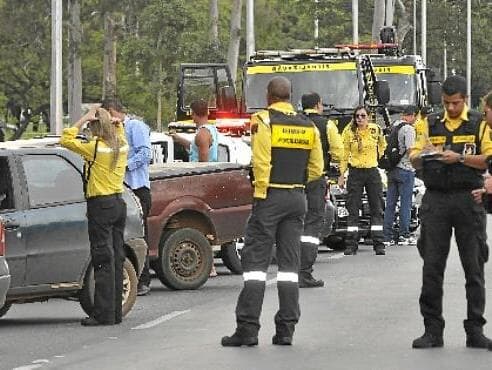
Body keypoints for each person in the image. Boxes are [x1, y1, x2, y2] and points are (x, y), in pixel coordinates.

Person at [221, 76, 323, 347]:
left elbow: (261, 160)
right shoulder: (308, 125)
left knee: (255, 265)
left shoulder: (264, 120)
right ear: (290, 96)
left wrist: (260, 195)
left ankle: (248, 329)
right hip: (297, 197)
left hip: (271, 198)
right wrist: (298, 185)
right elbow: (316, 168)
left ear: (269, 96)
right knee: (290, 266)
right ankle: (286, 329)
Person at [410, 75, 492, 349]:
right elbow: (413, 158)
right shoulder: (430, 122)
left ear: (465, 100)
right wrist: (426, 155)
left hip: (468, 200)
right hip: (437, 200)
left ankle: (475, 330)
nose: (451, 108)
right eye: (447, 103)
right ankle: (432, 330)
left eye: (456, 103)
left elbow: (487, 161)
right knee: (432, 267)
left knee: (474, 267)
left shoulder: (479, 123)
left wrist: (458, 158)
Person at [60, 107, 128, 326]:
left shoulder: (96, 148)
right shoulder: (121, 145)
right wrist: (116, 123)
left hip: (101, 205)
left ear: (96, 127)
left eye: (91, 126)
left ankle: (103, 314)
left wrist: (83, 119)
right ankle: (115, 312)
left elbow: (66, 139)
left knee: (102, 259)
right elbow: (119, 132)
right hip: (118, 203)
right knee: (117, 258)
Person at [102, 99, 153, 296]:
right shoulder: (111, 132)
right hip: (119, 189)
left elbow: (145, 154)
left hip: (137, 188)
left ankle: (143, 279)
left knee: (139, 235)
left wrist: (124, 166)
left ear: (113, 111)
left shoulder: (135, 127)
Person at [299, 92, 343, 288]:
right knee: (312, 225)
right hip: (315, 180)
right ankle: (305, 272)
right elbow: (338, 152)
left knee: (294, 223)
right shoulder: (327, 125)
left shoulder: (294, 122)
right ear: (319, 105)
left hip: (292, 181)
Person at [338, 106, 387, 255]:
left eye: (363, 116)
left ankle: (379, 243)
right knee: (353, 208)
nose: (360, 118)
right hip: (355, 171)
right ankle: (351, 244)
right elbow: (344, 153)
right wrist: (341, 174)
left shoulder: (376, 130)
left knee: (376, 207)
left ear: (369, 117)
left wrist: (377, 158)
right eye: (357, 116)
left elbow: (382, 145)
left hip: (372, 171)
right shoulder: (349, 131)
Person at [382, 105, 417, 246]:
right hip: (405, 170)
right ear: (412, 115)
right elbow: (410, 150)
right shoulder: (408, 129)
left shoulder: (394, 126)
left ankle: (386, 236)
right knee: (405, 204)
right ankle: (404, 235)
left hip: (392, 169)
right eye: (415, 116)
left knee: (390, 204)